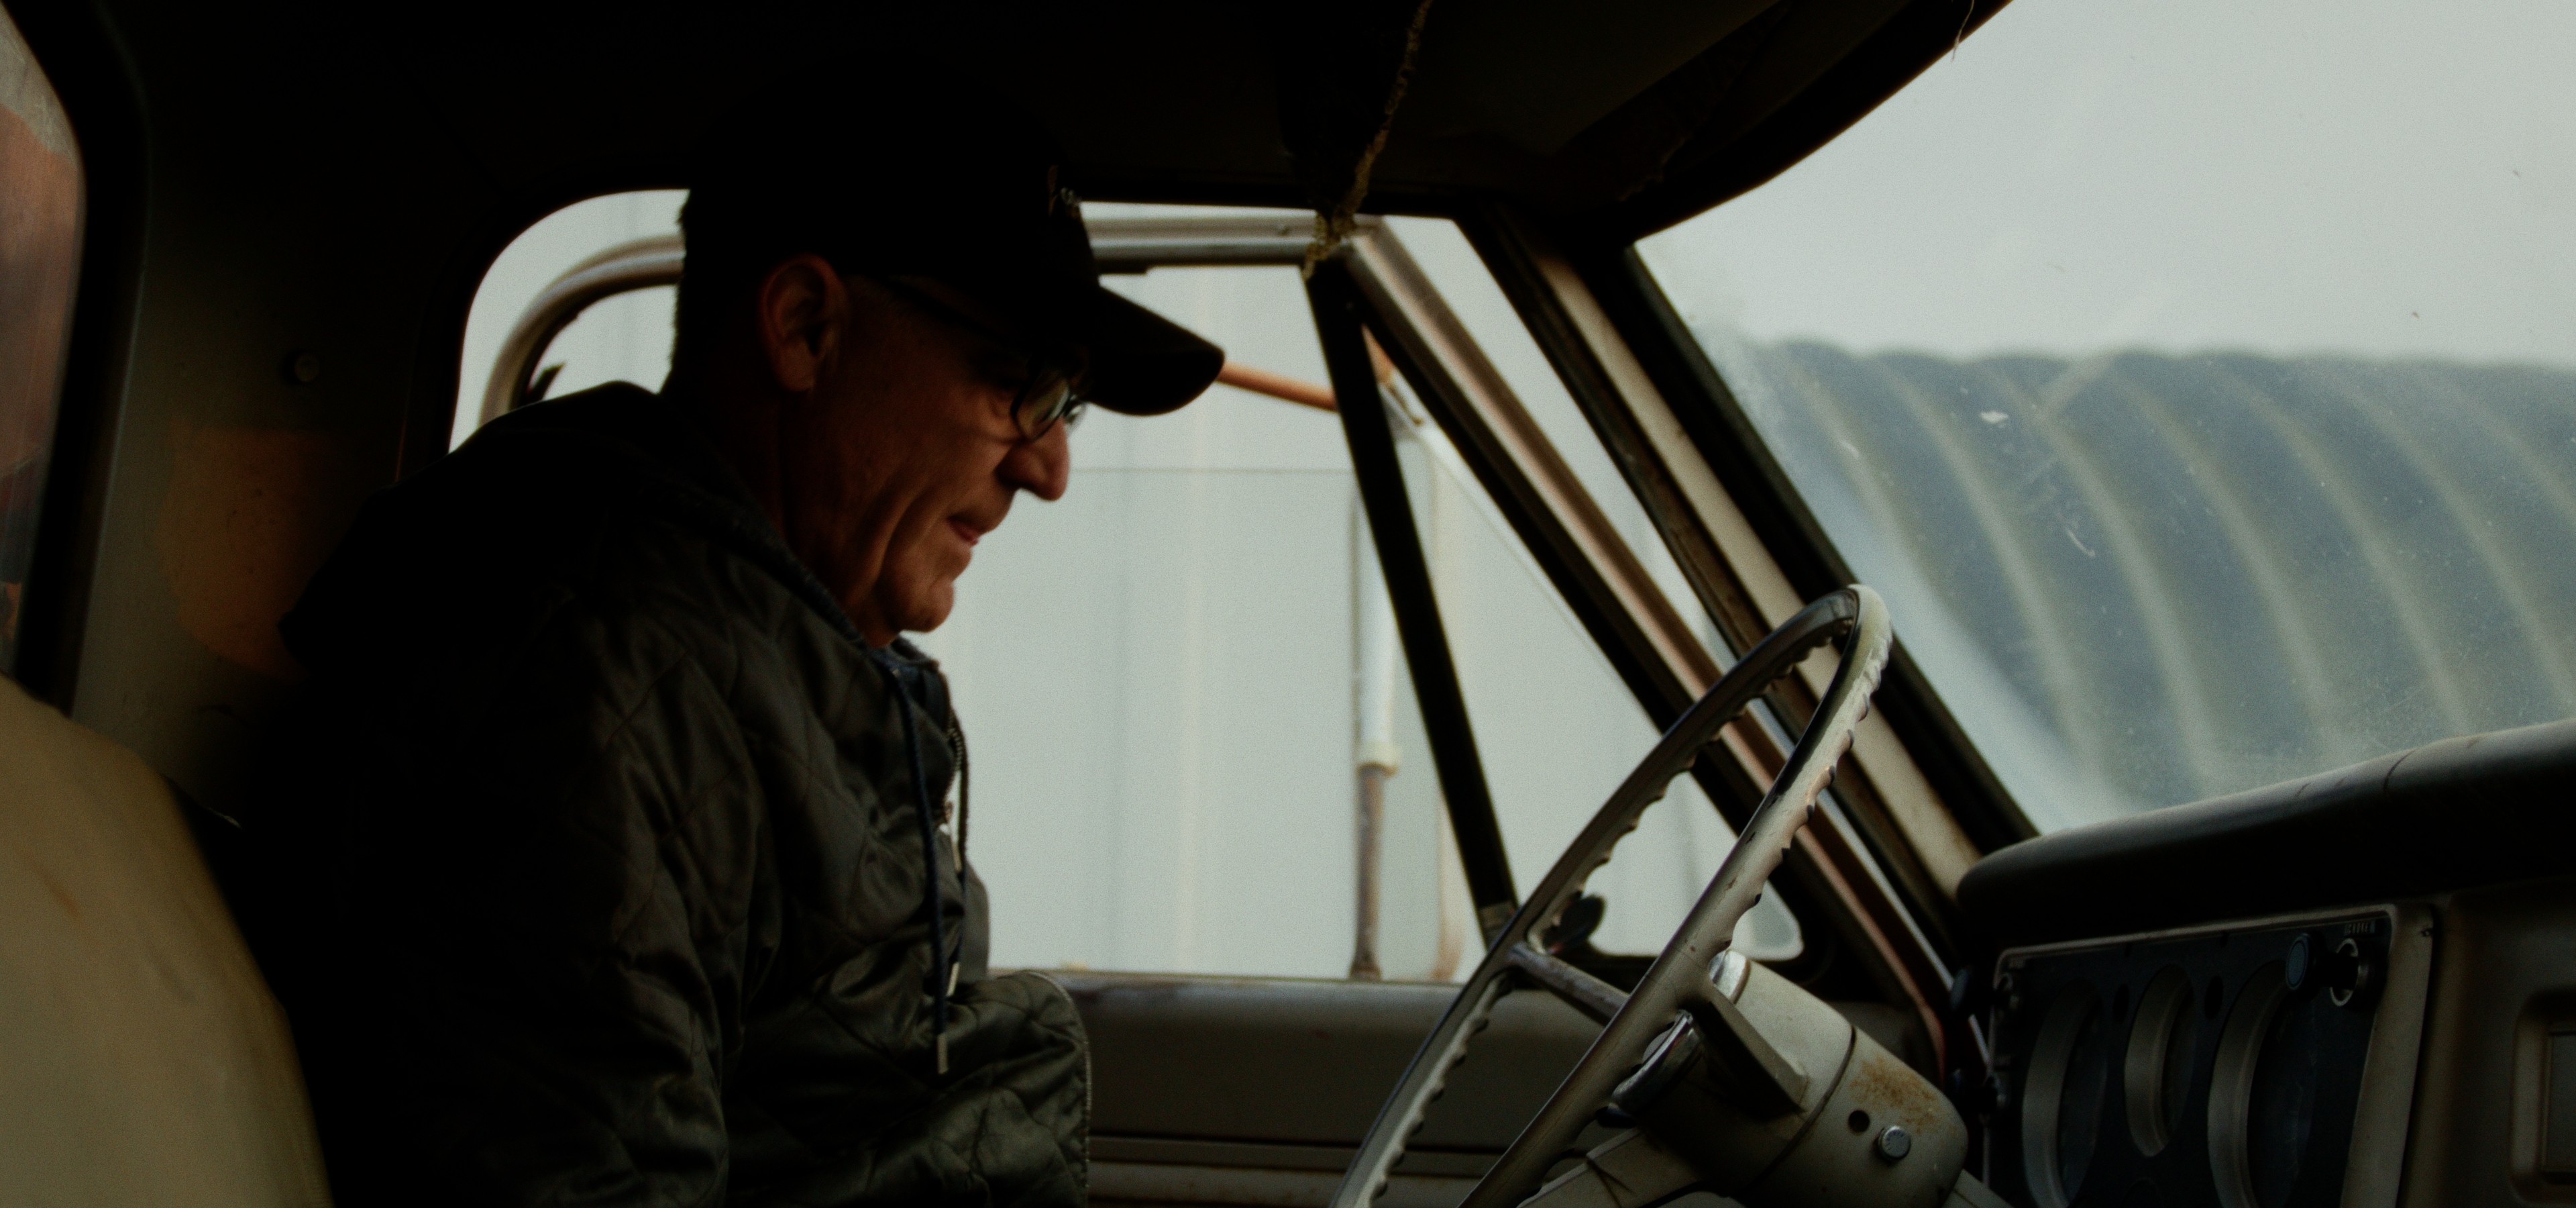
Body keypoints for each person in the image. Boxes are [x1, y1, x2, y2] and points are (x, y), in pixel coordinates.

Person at [252, 74, 1222, 1208]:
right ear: (808, 327)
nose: (1050, 469)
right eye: (1022, 382)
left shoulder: (736, 671)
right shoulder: (592, 690)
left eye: (1069, 404)